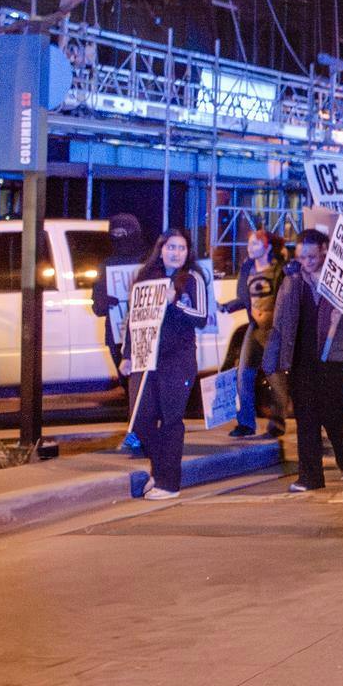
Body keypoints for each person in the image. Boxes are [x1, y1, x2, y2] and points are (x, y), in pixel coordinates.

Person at [263, 229, 343, 491]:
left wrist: (342, 319)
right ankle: (310, 476)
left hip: (332, 355)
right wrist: (272, 356)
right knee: (306, 415)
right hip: (301, 355)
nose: (306, 261)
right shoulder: (293, 279)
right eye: (301, 257)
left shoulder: (340, 279)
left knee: (333, 412)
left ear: (324, 249)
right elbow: (280, 320)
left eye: (311, 256)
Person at [128, 229, 209, 499]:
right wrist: (127, 355)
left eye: (182, 248)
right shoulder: (146, 277)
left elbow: (201, 316)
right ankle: (159, 470)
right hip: (146, 357)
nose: (176, 252)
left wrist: (175, 303)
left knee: (171, 419)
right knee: (140, 418)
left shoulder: (193, 278)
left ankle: (169, 482)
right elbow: (134, 320)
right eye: (171, 247)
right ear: (160, 248)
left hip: (178, 359)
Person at [222, 230, 287, 439]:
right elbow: (244, 298)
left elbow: (286, 299)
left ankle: (277, 423)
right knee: (244, 374)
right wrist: (226, 307)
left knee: (274, 375)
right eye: (249, 244)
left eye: (255, 244)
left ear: (267, 248)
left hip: (274, 329)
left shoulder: (279, 270)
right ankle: (246, 423)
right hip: (255, 327)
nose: (250, 248)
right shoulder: (248, 268)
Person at [91, 212, 148, 451]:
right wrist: (105, 300)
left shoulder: (148, 261)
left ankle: (138, 431)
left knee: (141, 384)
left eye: (123, 234)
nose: (118, 239)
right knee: (127, 385)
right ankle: (138, 429)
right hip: (116, 335)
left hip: (144, 333)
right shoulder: (106, 264)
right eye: (114, 234)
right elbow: (97, 307)